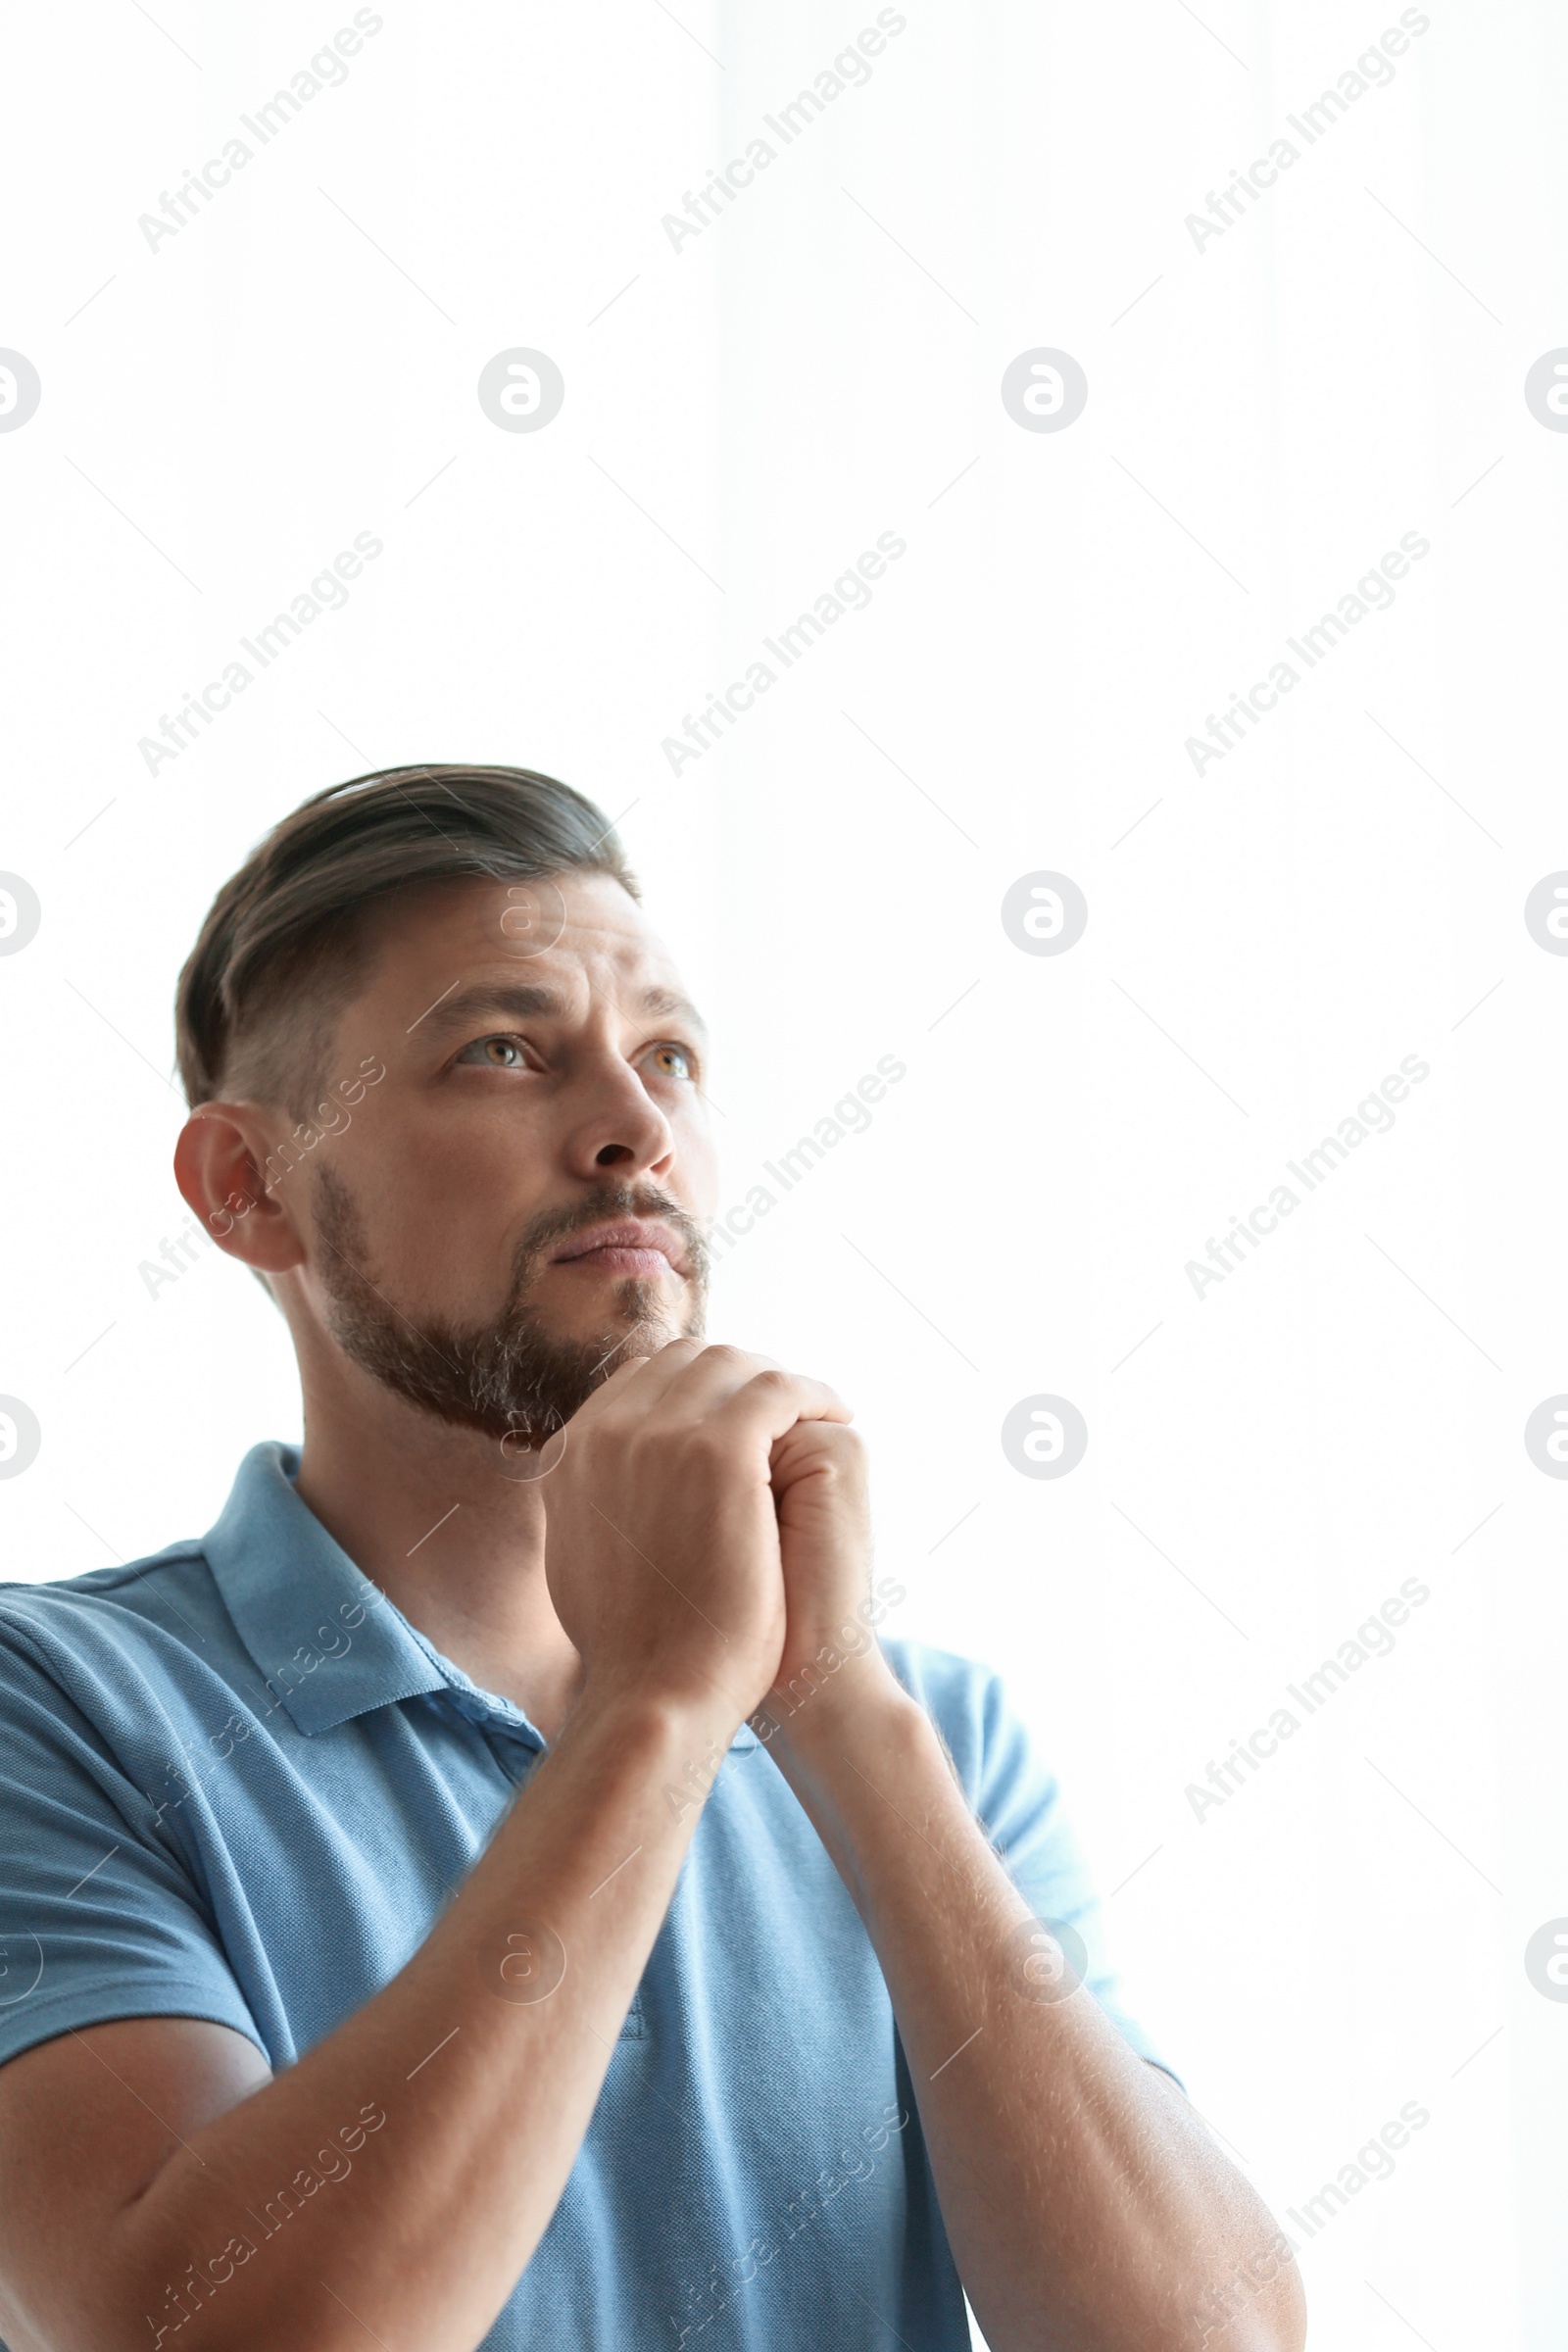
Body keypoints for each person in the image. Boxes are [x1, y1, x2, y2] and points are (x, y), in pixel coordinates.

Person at [0, 766, 1304, 2352]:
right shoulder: (54, 1712)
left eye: (670, 1056)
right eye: (504, 1051)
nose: (636, 1131)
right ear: (249, 1187)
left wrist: (830, 1705)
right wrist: (658, 1713)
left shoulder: (938, 1739)